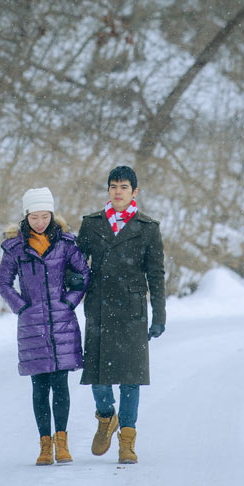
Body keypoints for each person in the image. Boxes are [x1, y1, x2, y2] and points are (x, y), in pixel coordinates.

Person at [77, 165, 165, 464]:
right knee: (99, 380)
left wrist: (160, 314)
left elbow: (156, 275)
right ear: (108, 190)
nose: (118, 191)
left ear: (134, 191)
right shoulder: (91, 224)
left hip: (132, 312)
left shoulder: (148, 227)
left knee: (130, 380)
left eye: (124, 187)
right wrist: (72, 289)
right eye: (114, 186)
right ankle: (106, 417)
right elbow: (76, 265)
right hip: (99, 308)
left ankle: (127, 441)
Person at [0, 186, 89, 466]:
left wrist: (70, 302)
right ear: (27, 216)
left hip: (62, 321)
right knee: (40, 387)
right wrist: (22, 307)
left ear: (52, 213)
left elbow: (84, 273)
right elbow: (3, 283)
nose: (40, 222)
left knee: (60, 384)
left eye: (45, 215)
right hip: (32, 325)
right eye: (34, 217)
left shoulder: (66, 243)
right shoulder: (15, 247)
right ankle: (44, 445)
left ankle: (62, 442)